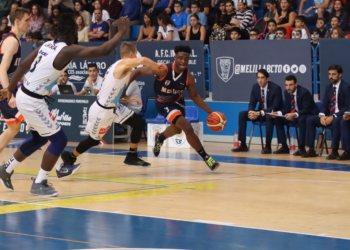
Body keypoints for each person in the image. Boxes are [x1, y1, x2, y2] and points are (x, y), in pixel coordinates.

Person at [0, 15, 131, 196]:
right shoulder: (66, 50)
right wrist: (122, 32)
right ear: (71, 33)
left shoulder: (46, 45)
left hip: (25, 94)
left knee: (39, 139)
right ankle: (40, 183)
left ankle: (6, 169)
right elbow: (105, 49)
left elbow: (22, 66)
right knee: (59, 140)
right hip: (32, 100)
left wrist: (10, 89)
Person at [59, 42, 162, 176]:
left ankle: (132, 155)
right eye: (136, 53)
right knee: (94, 140)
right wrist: (157, 65)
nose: (137, 56)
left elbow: (118, 85)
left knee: (139, 123)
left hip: (114, 107)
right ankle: (71, 156)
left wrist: (125, 96)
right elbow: (142, 60)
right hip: (102, 110)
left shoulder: (122, 67)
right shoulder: (122, 65)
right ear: (131, 55)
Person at [130, 45, 221, 171]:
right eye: (180, 58)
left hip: (178, 103)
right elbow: (138, 71)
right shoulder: (163, 70)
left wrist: (211, 112)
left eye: (186, 59)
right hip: (163, 103)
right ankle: (207, 158)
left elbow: (194, 96)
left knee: (178, 130)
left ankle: (160, 138)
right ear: (175, 58)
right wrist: (122, 90)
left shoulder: (188, 76)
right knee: (187, 127)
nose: (183, 61)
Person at [0, 8, 31, 155]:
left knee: (14, 128)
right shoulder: (11, 41)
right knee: (37, 123)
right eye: (27, 20)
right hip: (3, 90)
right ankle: (58, 165)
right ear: (17, 22)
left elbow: (12, 70)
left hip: (6, 88)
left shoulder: (16, 40)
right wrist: (9, 94)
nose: (29, 24)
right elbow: (2, 69)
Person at [303, 65, 350, 159]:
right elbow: (325, 105)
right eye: (329, 74)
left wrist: (334, 116)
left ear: (340, 75)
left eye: (333, 74)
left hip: (340, 115)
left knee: (337, 121)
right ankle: (311, 149)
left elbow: (347, 107)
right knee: (310, 120)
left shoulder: (346, 87)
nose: (331, 77)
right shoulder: (328, 87)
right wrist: (322, 116)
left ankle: (335, 151)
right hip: (329, 115)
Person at [232, 69, 283, 154]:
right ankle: (243, 145)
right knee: (242, 114)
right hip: (260, 113)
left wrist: (259, 113)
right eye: (258, 78)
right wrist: (251, 112)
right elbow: (252, 103)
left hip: (272, 114)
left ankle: (267, 146)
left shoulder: (276, 88)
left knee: (268, 116)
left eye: (262, 78)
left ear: (267, 79)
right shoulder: (255, 87)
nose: (260, 80)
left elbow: (275, 106)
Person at [270, 75, 319, 155]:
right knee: (277, 119)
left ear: (296, 84)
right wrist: (278, 113)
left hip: (308, 114)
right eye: (286, 85)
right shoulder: (286, 92)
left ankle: (301, 148)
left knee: (301, 119)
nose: (288, 87)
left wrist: (294, 114)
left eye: (290, 85)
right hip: (295, 114)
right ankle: (284, 147)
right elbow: (287, 108)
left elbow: (307, 109)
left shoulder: (304, 92)